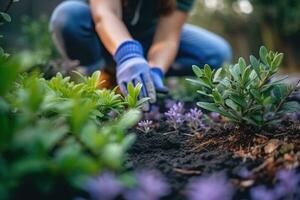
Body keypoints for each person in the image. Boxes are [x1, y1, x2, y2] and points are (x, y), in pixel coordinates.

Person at [49, 0, 232, 109]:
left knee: (216, 54)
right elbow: (105, 13)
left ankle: (142, 77)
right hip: (101, 35)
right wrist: (128, 55)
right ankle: (102, 74)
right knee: (68, 17)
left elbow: (167, 38)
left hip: (148, 36)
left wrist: (156, 68)